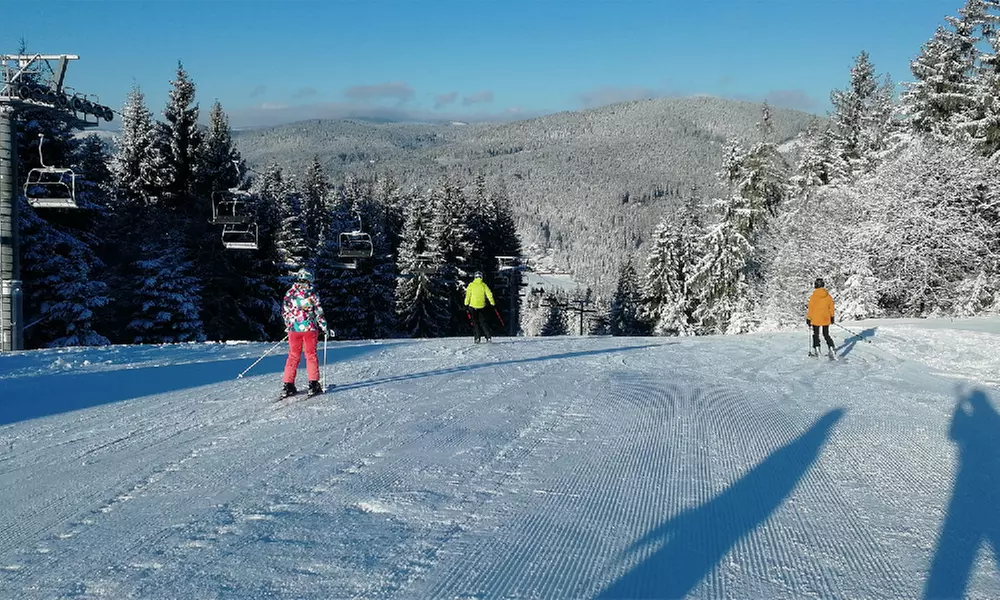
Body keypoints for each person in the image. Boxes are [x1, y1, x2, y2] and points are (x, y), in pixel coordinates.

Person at [281, 268, 328, 397]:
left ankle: (288, 384)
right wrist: (324, 326)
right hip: (310, 328)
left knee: (293, 355)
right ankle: (313, 383)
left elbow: (285, 311)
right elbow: (318, 311)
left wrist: (289, 324)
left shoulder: (290, 293)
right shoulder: (312, 293)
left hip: (293, 329)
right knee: (310, 355)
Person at [806, 277, 836, 358]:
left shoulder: (813, 296)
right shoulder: (828, 296)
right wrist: (832, 317)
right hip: (826, 317)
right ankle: (831, 348)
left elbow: (811, 309)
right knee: (826, 334)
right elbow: (831, 307)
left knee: (816, 334)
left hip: (816, 318)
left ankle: (817, 350)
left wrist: (809, 318)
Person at [464, 270, 496, 343]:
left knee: (475, 323)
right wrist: (492, 303)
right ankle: (488, 337)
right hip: (482, 306)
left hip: (472, 306)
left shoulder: (471, 285)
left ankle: (477, 337)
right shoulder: (483, 285)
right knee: (483, 322)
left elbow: (468, 295)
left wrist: (466, 304)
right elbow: (489, 294)